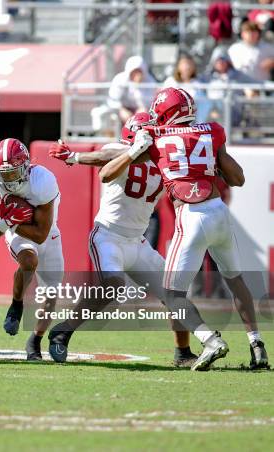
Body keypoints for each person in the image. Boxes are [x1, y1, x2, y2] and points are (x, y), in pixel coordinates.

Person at [100, 87, 269, 371]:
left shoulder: (156, 137)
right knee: (235, 279)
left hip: (191, 216)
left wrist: (134, 150)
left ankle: (210, 340)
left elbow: (106, 173)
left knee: (172, 294)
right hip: (219, 213)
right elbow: (237, 178)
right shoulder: (211, 131)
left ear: (168, 114)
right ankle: (257, 345)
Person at [47, 113, 198, 367]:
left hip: (138, 243)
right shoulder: (122, 150)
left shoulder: (163, 160)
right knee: (113, 288)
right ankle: (63, 330)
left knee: (174, 292)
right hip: (108, 236)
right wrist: (75, 158)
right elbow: (105, 159)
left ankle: (183, 352)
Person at [0, 138, 63, 360]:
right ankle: (16, 305)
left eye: (13, 173)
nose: (8, 179)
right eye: (3, 174)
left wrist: (11, 221)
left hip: (48, 232)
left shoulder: (43, 181)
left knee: (51, 293)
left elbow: (41, 234)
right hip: (15, 231)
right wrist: (8, 223)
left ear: (26, 167)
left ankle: (34, 341)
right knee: (28, 261)